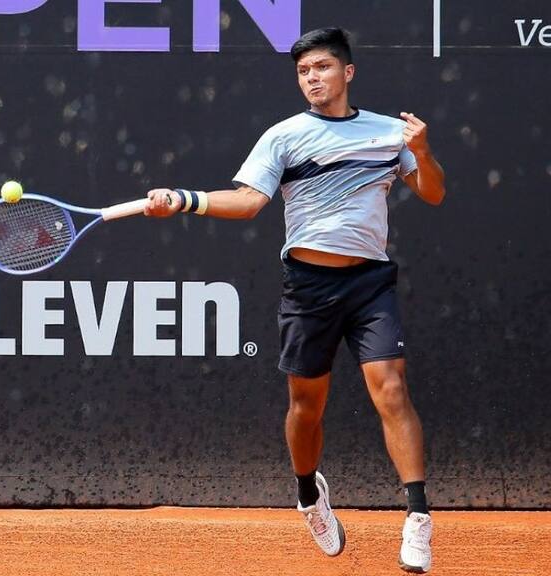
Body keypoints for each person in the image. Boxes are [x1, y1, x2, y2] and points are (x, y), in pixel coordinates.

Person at [144, 27, 445, 574]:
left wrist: (421, 151)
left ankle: (419, 517)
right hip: (308, 287)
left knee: (392, 388)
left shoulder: (388, 133)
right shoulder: (283, 136)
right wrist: (184, 199)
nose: (313, 78)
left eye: (323, 68)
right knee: (307, 408)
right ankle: (309, 493)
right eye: (305, 71)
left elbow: (432, 191)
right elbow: (248, 200)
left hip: (370, 283)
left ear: (347, 73)